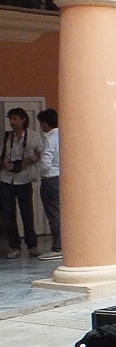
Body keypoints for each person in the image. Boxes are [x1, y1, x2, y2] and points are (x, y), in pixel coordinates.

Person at [1, 108, 43, 259]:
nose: (12, 122)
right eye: (10, 119)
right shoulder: (6, 137)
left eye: (15, 119)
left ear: (23, 119)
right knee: (8, 214)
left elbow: (41, 153)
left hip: (25, 178)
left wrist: (28, 160)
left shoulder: (33, 136)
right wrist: (5, 165)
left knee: (27, 213)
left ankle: (32, 245)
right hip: (6, 179)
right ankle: (14, 246)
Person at [35, 109, 61, 260]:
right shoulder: (63, 135)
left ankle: (58, 246)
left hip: (51, 178)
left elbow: (46, 160)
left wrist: (43, 172)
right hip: (61, 177)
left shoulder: (50, 138)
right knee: (61, 211)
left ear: (45, 123)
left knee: (53, 213)